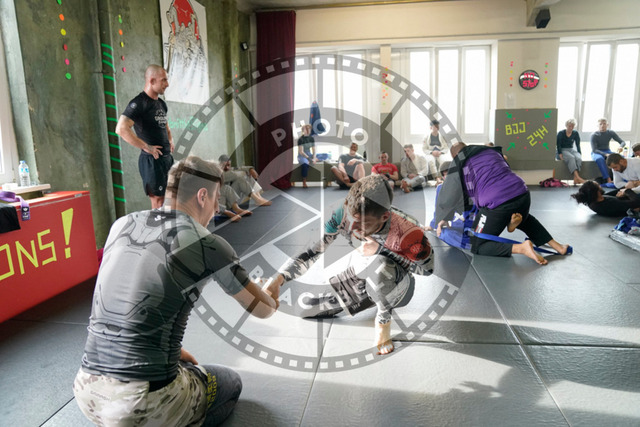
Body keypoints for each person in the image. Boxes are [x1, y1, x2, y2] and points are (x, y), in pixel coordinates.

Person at [73, 156, 278, 426]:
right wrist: (270, 292)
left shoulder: (121, 224)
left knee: (187, 368)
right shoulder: (208, 244)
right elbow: (262, 310)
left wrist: (175, 351)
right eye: (216, 199)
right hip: (143, 403)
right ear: (202, 196)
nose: (217, 208)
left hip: (86, 391)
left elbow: (128, 297)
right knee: (230, 382)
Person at [264, 175, 434, 355]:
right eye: (352, 220)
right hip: (363, 271)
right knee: (304, 307)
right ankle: (370, 291)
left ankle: (383, 323)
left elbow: (427, 270)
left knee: (381, 265)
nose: (352, 229)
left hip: (397, 283)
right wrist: (278, 280)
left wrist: (382, 250)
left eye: (361, 225)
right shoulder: (339, 213)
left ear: (384, 216)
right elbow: (310, 253)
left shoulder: (409, 231)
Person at [435, 142, 570, 265]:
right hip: (522, 193)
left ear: (454, 157)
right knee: (525, 219)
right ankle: (558, 247)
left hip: (497, 202)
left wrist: (444, 218)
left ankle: (521, 248)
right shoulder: (489, 151)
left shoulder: (459, 161)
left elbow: (449, 195)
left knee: (477, 244)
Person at [116, 65, 174, 209]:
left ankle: (168, 224)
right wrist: (146, 147)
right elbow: (121, 128)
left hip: (167, 159)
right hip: (152, 161)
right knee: (158, 202)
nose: (167, 84)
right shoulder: (139, 103)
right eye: (164, 80)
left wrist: (170, 140)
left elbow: (165, 126)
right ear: (152, 81)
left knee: (171, 199)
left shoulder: (161, 104)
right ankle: (157, 225)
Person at [571, 180, 640, 217]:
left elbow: (612, 193)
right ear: (597, 192)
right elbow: (637, 202)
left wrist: (626, 187)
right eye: (598, 186)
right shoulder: (609, 204)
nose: (600, 186)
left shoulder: (594, 200)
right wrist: (627, 191)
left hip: (629, 202)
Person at [590, 118, 626, 183]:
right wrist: (605, 154)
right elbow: (594, 150)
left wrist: (621, 146)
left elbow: (622, 142)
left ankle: (624, 177)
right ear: (597, 125)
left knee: (622, 157)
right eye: (600, 124)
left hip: (607, 150)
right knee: (600, 159)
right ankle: (608, 178)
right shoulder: (594, 135)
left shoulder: (610, 132)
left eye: (604, 124)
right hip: (596, 152)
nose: (602, 126)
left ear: (607, 125)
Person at [556, 118, 586, 184]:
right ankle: (578, 177)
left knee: (578, 158)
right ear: (566, 125)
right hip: (562, 150)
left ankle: (575, 179)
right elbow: (558, 145)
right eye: (569, 126)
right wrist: (560, 154)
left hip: (570, 149)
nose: (571, 128)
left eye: (572, 126)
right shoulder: (561, 133)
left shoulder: (575, 133)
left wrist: (579, 153)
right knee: (571, 158)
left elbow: (578, 144)